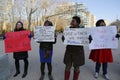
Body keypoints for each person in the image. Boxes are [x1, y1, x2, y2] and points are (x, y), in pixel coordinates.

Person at [62, 16, 85, 80]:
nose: (71, 22)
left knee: (77, 68)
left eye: (73, 21)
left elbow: (87, 40)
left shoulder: (83, 31)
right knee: (67, 67)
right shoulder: (68, 30)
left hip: (78, 52)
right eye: (71, 21)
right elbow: (65, 40)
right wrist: (63, 38)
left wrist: (89, 38)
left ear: (77, 23)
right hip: (69, 51)